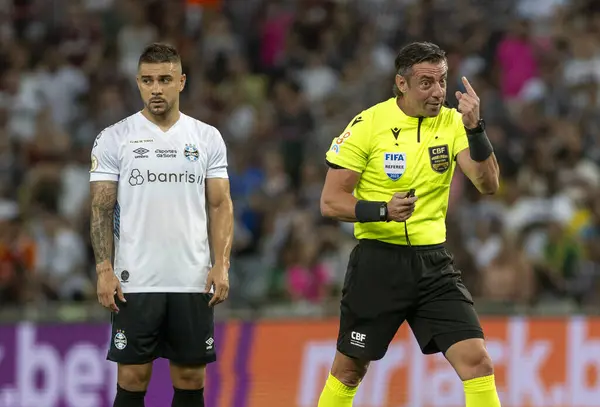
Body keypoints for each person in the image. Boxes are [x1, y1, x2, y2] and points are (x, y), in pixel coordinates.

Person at [318, 42, 501, 407]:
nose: (438, 92)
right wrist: (382, 210)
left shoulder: (452, 123)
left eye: (442, 81)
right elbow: (330, 202)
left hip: (433, 265)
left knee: (477, 362)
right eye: (426, 83)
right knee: (349, 371)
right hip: (378, 263)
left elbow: (488, 184)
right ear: (402, 84)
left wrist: (476, 128)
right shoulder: (369, 124)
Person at [89, 43, 233, 407]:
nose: (156, 88)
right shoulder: (114, 137)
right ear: (137, 83)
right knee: (133, 378)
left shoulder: (206, 137)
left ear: (181, 82)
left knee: (189, 378)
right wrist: (104, 268)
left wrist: (222, 264)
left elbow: (219, 204)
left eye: (165, 79)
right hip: (134, 279)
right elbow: (101, 209)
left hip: (192, 278)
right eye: (148, 80)